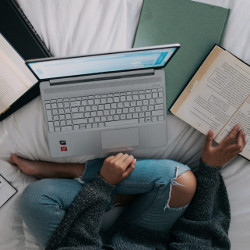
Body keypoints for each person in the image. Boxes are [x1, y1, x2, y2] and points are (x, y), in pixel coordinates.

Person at [13, 124, 246, 249]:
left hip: (79, 244)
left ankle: (113, 194)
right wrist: (209, 169)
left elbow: (79, 243)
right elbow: (198, 237)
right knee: (180, 180)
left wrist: (104, 185)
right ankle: (78, 171)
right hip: (144, 238)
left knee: (35, 198)